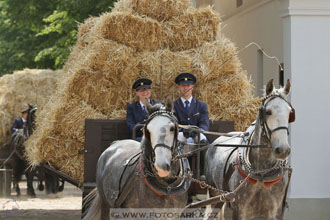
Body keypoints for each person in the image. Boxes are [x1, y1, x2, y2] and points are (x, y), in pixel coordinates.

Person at [173, 72, 209, 144]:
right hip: (180, 138)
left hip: (197, 137)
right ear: (179, 87)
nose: (185, 88)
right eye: (183, 85)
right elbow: (173, 124)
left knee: (203, 140)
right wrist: (183, 132)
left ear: (192, 87)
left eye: (188, 85)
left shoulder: (201, 105)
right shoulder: (174, 106)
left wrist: (196, 131)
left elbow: (204, 124)